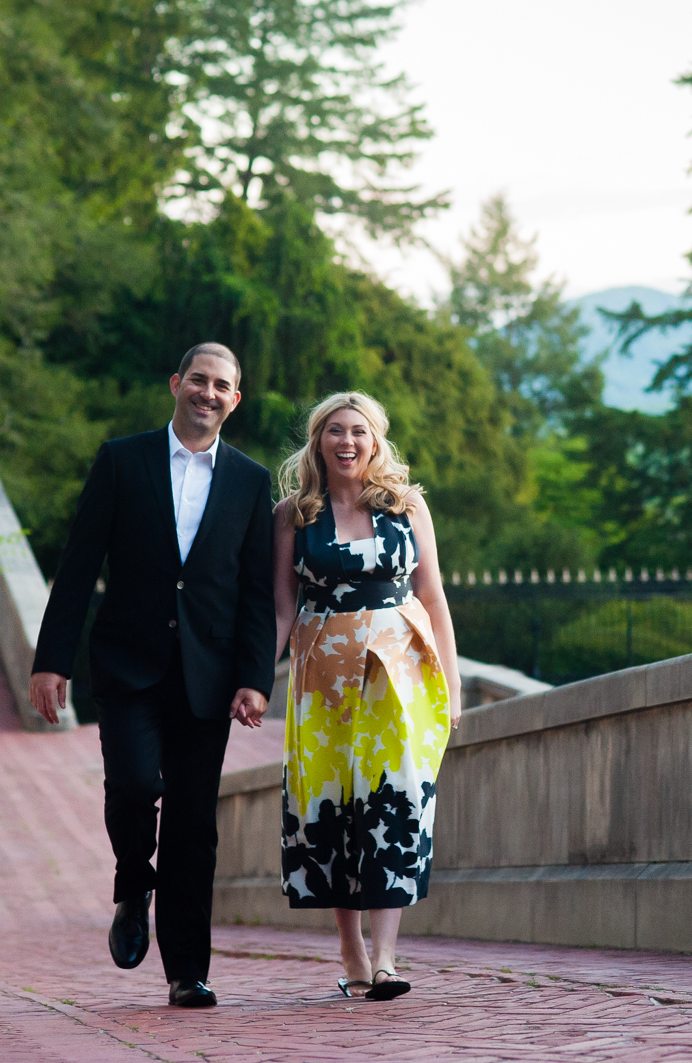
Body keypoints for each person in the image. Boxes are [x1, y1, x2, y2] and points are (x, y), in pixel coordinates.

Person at [29, 343, 276, 1010]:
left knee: (195, 825)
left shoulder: (253, 482)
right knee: (135, 784)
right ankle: (133, 883)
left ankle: (187, 972)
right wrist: (51, 660)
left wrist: (256, 676)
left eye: (221, 385)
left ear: (235, 399)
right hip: (128, 663)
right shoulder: (122, 459)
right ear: (175, 384)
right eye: (198, 379)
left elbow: (257, 591)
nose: (207, 392)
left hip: (210, 674)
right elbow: (79, 565)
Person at [272, 391, 461, 1001]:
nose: (346, 441)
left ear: (375, 441)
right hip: (323, 682)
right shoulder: (293, 515)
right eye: (334, 431)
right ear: (317, 441)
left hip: (401, 678)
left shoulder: (407, 507)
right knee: (334, 808)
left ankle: (386, 959)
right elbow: (281, 608)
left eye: (358, 431)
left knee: (397, 802)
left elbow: (433, 597)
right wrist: (253, 680)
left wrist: (452, 688)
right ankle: (352, 951)